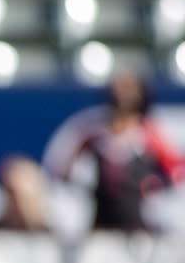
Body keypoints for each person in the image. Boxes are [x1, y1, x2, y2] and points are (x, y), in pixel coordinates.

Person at [48, 72, 185, 232]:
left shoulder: (151, 136)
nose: (123, 94)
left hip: (140, 231)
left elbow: (177, 174)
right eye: (119, 88)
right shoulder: (93, 135)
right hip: (100, 229)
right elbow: (62, 173)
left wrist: (156, 195)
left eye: (129, 88)